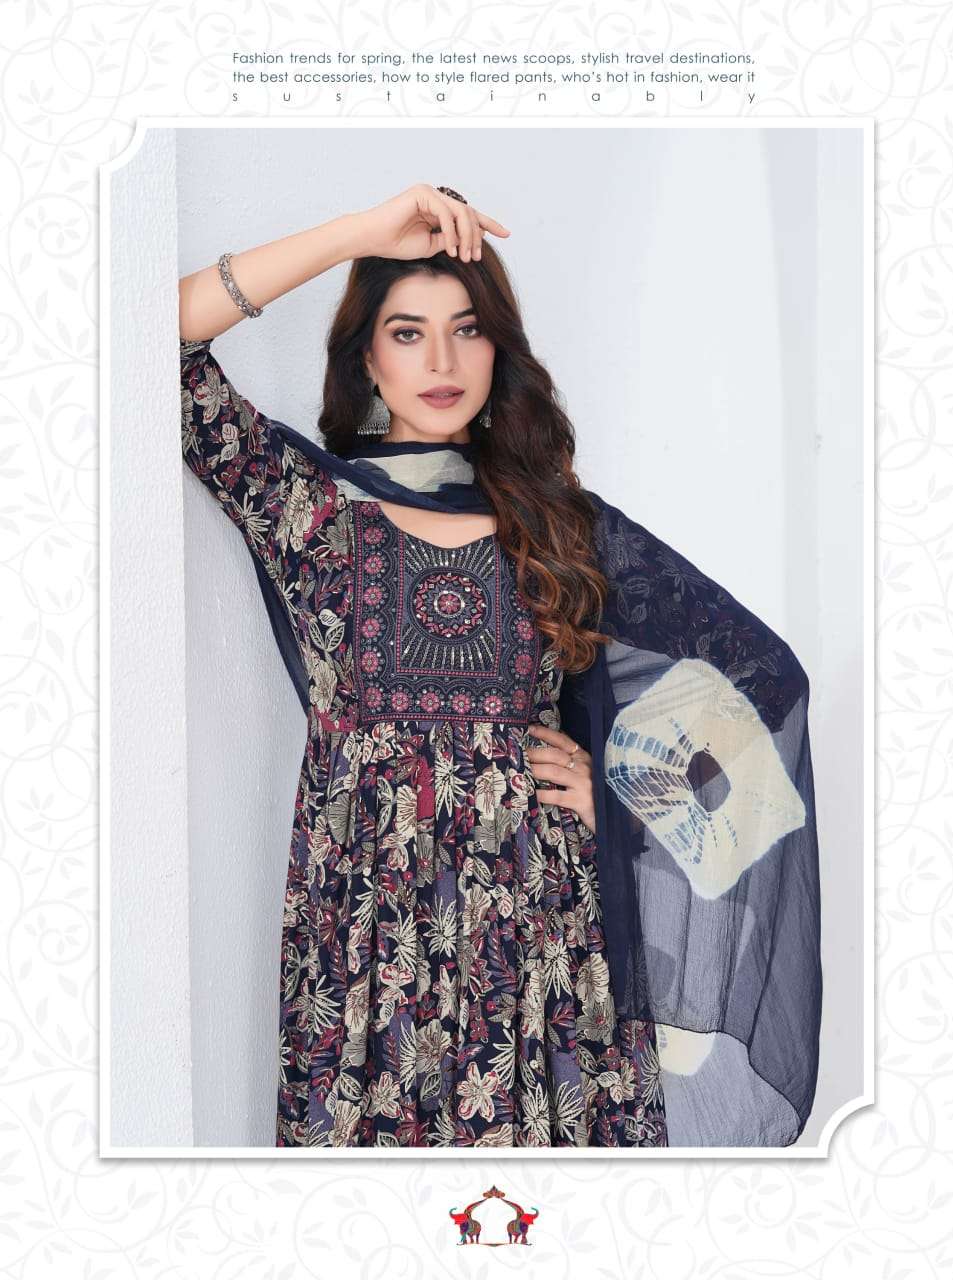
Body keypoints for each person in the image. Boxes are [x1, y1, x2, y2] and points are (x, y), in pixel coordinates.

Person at [179, 183, 822, 1150]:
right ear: (366, 358)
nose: (441, 362)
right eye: (407, 332)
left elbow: (762, 682)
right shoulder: (307, 509)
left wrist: (623, 803)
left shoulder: (562, 528)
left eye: (466, 330)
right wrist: (361, 233)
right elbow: (159, 343)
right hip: (367, 957)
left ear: (498, 351)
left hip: (546, 953)